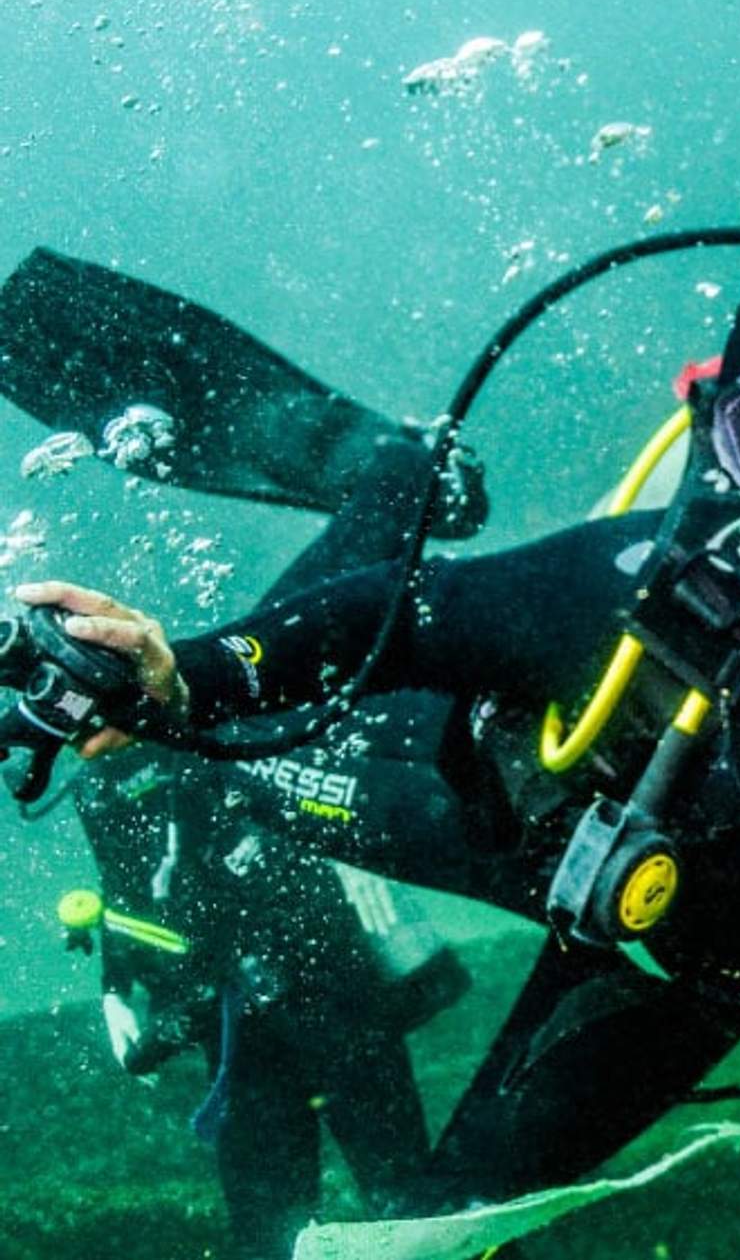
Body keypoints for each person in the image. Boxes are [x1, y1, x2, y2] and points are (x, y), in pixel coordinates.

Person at [18, 246, 740, 1209]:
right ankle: (393, 478)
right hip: (520, 830)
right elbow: (400, 616)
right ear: (739, 454)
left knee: (440, 1224)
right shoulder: (677, 586)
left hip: (696, 992)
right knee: (238, 769)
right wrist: (184, 678)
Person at [51, 438, 473, 1258]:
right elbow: (132, 900)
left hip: (335, 994)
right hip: (232, 1027)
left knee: (406, 1192)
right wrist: (131, 990)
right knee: (268, 1225)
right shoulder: (101, 790)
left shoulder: (217, 721)